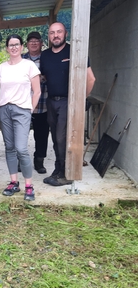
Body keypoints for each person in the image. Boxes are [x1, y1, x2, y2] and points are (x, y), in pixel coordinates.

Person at [40, 22, 96, 187]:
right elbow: (44, 77)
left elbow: (91, 78)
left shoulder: (75, 52)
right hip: (51, 102)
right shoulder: (45, 55)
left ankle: (66, 174)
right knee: (55, 139)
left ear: (66, 33)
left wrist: (80, 100)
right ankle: (58, 170)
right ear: (48, 36)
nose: (55, 35)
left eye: (59, 32)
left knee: (62, 138)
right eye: (52, 33)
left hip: (67, 103)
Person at [0, 34, 41, 201]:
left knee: (21, 148)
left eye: (17, 44)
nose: (14, 47)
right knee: (9, 147)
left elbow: (37, 91)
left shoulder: (29, 66)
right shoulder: (2, 68)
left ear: (22, 47)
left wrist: (29, 110)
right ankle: (13, 182)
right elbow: (3, 89)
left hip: (22, 109)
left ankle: (29, 185)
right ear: (7, 48)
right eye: (10, 45)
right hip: (4, 109)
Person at [22, 31, 49, 174]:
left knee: (41, 134)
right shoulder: (21, 59)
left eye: (36, 40)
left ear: (41, 43)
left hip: (42, 104)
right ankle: (21, 161)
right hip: (23, 104)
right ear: (26, 44)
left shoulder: (47, 58)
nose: (33, 43)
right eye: (30, 40)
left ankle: (39, 161)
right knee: (21, 134)